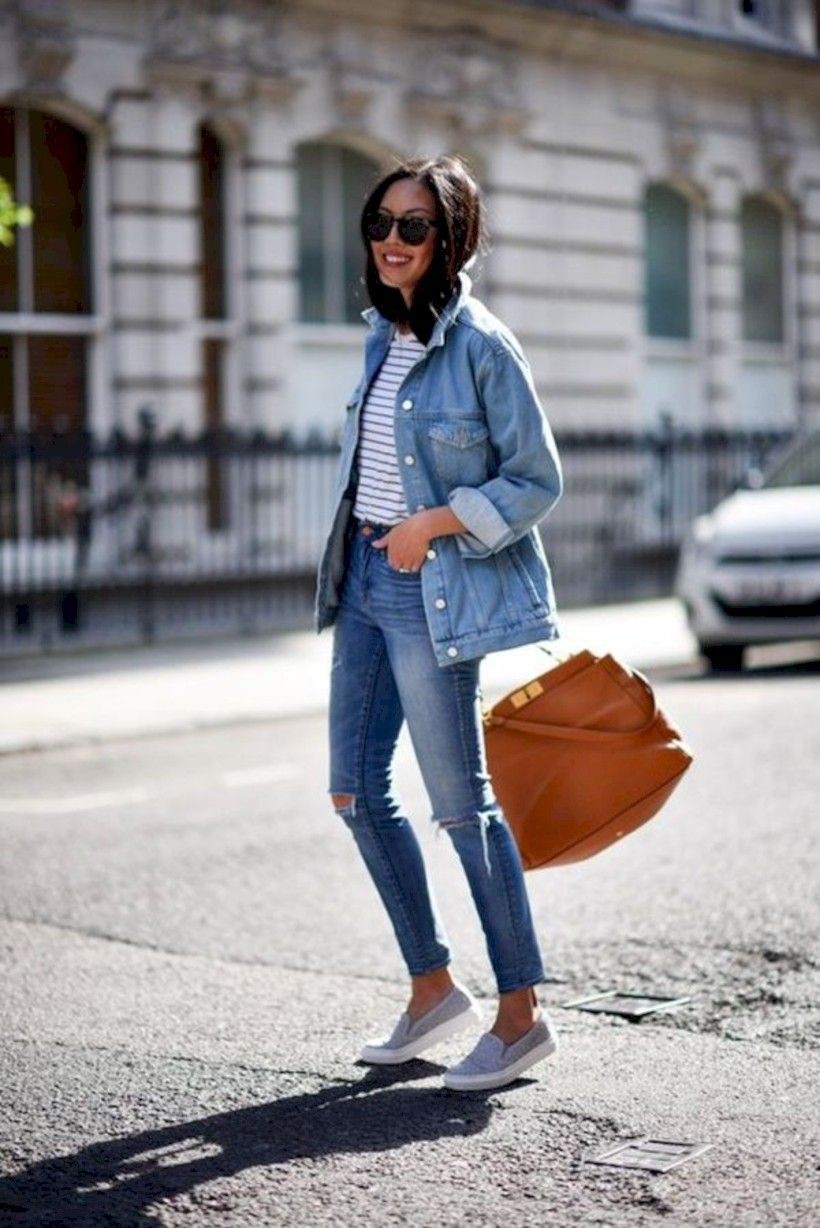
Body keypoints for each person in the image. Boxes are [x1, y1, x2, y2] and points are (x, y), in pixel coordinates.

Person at [313, 154, 564, 1092]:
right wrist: (383, 535)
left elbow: (538, 481)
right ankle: (433, 989)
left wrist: (435, 521)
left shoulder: (485, 347)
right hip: (367, 583)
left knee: (464, 808)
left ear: (448, 237)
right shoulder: (382, 335)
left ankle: (521, 1015)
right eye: (382, 221)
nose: (391, 240)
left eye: (414, 227)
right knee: (352, 792)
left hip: (433, 589)